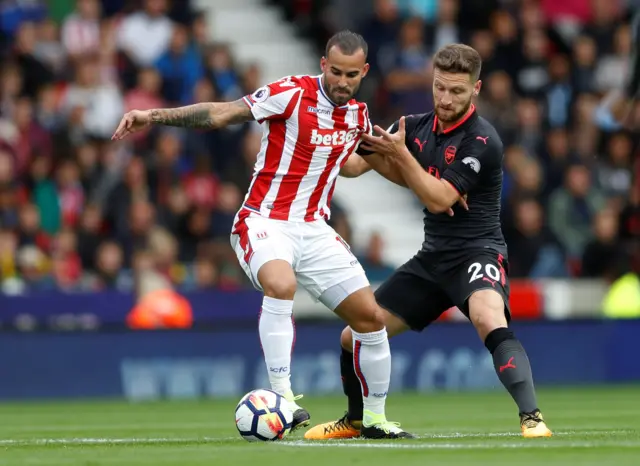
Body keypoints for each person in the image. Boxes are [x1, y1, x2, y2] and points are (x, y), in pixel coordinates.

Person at [111, 30, 418, 439]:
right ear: (324, 65)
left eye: (351, 75)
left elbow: (348, 166)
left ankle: (375, 420)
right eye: (336, 72)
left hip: (313, 228)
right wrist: (153, 116)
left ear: (364, 72)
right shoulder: (289, 94)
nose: (343, 82)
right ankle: (283, 400)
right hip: (264, 221)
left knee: (371, 318)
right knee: (280, 283)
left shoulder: (357, 116)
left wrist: (400, 159)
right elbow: (220, 114)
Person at [303, 43, 553, 440]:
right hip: (432, 259)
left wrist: (399, 157)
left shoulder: (483, 141)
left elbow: (438, 198)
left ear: (476, 89)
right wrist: (332, 139)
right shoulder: (414, 128)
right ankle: (354, 420)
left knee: (489, 318)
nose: (446, 98)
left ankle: (532, 417)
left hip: (477, 252)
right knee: (352, 336)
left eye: (457, 91)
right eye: (440, 88)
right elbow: (352, 167)